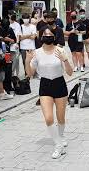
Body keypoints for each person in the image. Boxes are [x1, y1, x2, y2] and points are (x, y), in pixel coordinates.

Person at [25, 26, 73, 159]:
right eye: (45, 34)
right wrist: (27, 60)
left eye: (50, 34)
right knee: (48, 118)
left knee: (61, 117)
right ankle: (58, 145)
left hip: (59, 84)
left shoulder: (60, 50)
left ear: (54, 36)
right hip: (45, 85)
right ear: (41, 37)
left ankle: (61, 136)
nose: (48, 36)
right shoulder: (37, 53)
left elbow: (70, 72)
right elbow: (30, 74)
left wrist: (65, 59)